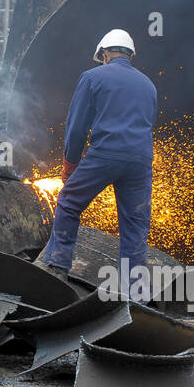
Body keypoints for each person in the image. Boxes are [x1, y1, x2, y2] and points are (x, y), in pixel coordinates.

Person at [35, 28, 157, 297]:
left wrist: (70, 164)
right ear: (130, 55)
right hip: (140, 161)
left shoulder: (92, 77)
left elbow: (77, 127)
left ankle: (57, 266)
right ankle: (136, 295)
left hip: (106, 154)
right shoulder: (148, 84)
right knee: (135, 224)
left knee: (69, 202)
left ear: (104, 54)